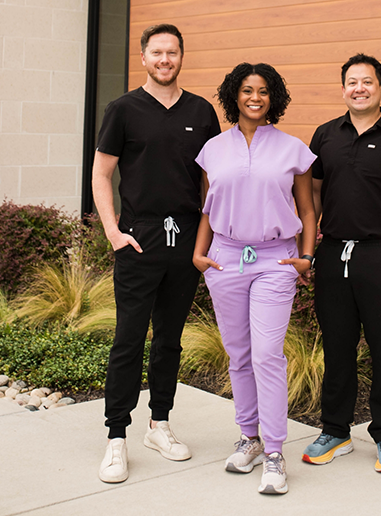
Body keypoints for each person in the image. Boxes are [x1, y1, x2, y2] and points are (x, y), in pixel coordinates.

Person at [92, 24, 221, 483]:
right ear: (144, 57)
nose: (165, 59)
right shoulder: (123, 109)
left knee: (169, 339)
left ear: (182, 56)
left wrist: (208, 239)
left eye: (172, 52)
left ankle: (159, 425)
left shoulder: (202, 111)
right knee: (128, 338)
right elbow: (101, 173)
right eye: (157, 52)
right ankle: (116, 437)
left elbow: (211, 181)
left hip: (185, 240)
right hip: (138, 236)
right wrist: (113, 231)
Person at [301, 54, 381, 472]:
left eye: (367, 82)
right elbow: (312, 197)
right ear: (343, 89)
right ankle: (336, 431)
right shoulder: (324, 135)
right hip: (334, 252)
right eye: (352, 82)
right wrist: (310, 245)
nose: (359, 88)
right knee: (337, 346)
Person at [193, 62, 316, 495]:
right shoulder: (212, 149)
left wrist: (306, 257)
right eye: (247, 90)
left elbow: (307, 211)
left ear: (273, 97)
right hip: (225, 259)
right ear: (234, 96)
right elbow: (209, 206)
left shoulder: (292, 148)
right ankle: (249, 438)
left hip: (274, 262)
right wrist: (199, 253)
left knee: (267, 354)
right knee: (239, 355)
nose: (255, 98)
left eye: (263, 91)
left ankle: (276, 451)